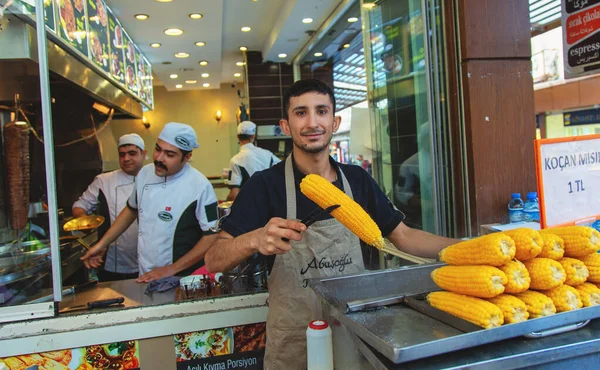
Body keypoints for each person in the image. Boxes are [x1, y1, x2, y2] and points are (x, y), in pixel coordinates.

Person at [204, 79, 457, 369]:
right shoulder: (264, 186)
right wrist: (255, 239)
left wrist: (465, 248)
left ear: (334, 121)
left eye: (321, 111)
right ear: (286, 126)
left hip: (355, 335)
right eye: (301, 113)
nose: (312, 122)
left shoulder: (358, 181)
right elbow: (214, 259)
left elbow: (404, 236)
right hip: (294, 344)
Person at [81, 122, 219, 283]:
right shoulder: (145, 174)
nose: (159, 158)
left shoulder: (200, 186)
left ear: (187, 157)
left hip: (182, 279)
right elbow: (131, 209)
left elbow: (211, 235)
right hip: (145, 274)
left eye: (170, 154)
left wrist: (171, 269)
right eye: (158, 149)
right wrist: (102, 244)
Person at [72, 134, 146, 281]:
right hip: (114, 262)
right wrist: (86, 222)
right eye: (122, 154)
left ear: (143, 154)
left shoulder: (155, 179)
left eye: (132, 153)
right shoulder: (104, 181)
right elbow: (79, 206)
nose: (126, 159)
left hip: (150, 262)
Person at [226, 121, 281, 201]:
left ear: (237, 137)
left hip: (249, 204)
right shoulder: (268, 155)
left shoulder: (235, 160)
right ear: (253, 136)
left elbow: (234, 194)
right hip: (270, 203)